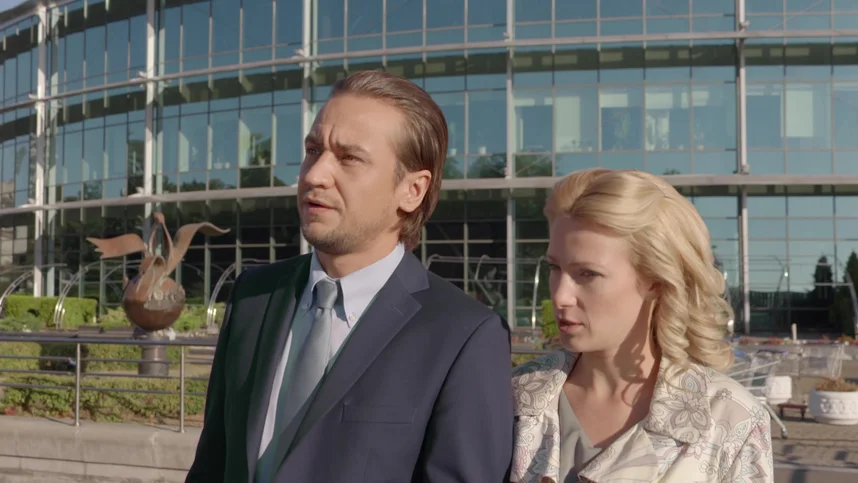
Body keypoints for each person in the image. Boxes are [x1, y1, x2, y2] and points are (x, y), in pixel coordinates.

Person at [185, 70, 514, 483]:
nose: (314, 175)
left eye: (349, 158)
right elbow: (213, 463)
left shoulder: (464, 336)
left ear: (412, 190)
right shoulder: (253, 296)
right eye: (313, 150)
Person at [511, 168, 773, 483]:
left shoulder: (730, 418)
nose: (560, 296)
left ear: (656, 282)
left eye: (588, 274)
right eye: (555, 268)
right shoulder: (514, 396)